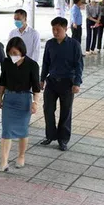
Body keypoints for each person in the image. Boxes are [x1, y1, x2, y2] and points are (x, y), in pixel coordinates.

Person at [0, 37, 41, 172]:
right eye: (10, 53)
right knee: (7, 130)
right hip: (9, 98)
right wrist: (0, 97)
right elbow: (2, 81)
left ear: (22, 51)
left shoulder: (32, 65)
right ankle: (4, 161)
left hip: (24, 100)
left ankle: (21, 156)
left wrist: (35, 103)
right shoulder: (6, 62)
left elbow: (36, 87)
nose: (13, 56)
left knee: (22, 130)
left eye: (15, 53)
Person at [41, 17, 83, 151]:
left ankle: (63, 139)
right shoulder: (50, 44)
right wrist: (41, 79)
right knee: (48, 108)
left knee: (66, 111)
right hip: (52, 81)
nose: (55, 32)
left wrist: (77, 83)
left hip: (67, 83)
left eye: (58, 29)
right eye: (53, 29)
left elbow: (79, 65)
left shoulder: (74, 44)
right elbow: (45, 63)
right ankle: (50, 135)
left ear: (65, 29)